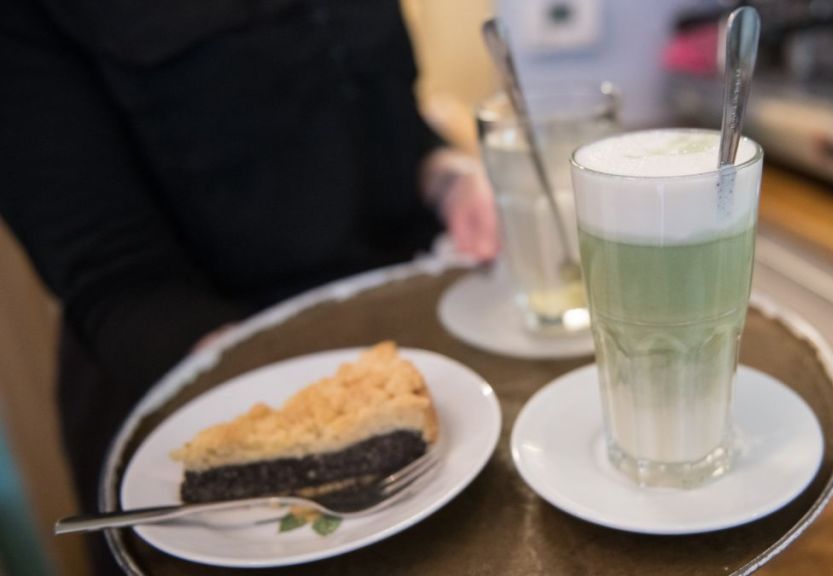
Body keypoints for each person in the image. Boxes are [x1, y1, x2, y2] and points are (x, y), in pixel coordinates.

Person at [0, 0, 496, 568]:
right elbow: (110, 268)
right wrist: (291, 418)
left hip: (406, 348)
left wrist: (445, 178)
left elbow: (381, 115)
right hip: (196, 376)